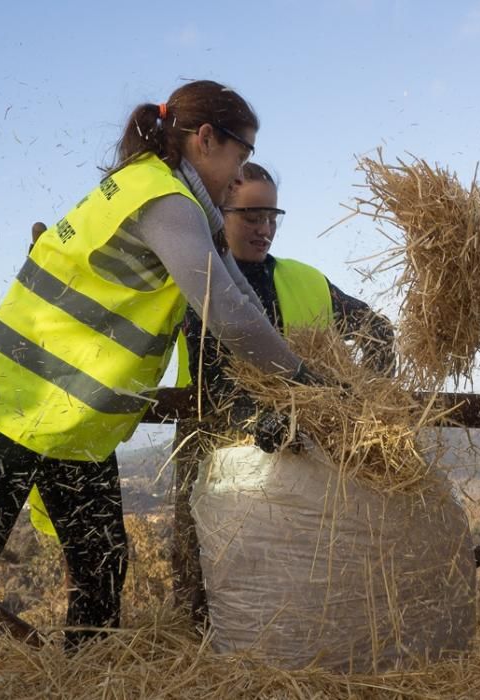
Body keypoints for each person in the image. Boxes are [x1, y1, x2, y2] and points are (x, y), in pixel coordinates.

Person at [0, 79, 320, 699]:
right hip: (12, 407)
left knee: (101, 565)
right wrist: (308, 383)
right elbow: (228, 312)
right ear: (205, 139)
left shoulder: (168, 195)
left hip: (70, 422)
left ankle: (82, 686)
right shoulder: (166, 202)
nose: (240, 173)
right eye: (240, 150)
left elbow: (230, 291)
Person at [171, 162, 395, 621]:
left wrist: (368, 398)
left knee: (292, 571)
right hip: (210, 446)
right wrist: (255, 418)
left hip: (299, 451)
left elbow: (377, 330)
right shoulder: (199, 279)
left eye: (272, 216)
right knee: (203, 574)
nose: (264, 229)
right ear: (218, 213)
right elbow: (211, 375)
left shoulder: (303, 279)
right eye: (251, 216)